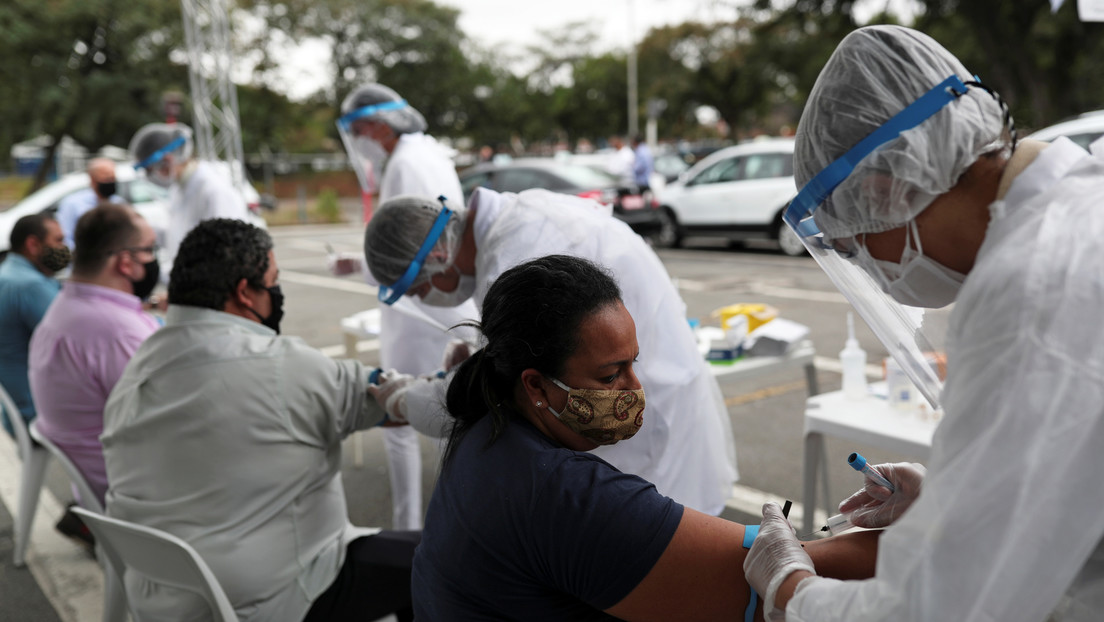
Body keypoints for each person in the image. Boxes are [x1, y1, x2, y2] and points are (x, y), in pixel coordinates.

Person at [743, 25, 1104, 621]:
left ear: (888, 191)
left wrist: (789, 589)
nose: (871, 271)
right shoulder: (1082, 201)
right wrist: (957, 496)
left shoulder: (1031, 293)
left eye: (853, 245)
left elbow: (938, 609)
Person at [413, 254, 880, 620]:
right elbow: (789, 583)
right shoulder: (562, 496)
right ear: (535, 385)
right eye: (610, 375)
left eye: (633, 363)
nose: (634, 388)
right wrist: (919, 524)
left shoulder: (485, 429)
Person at [101, 218, 417, 622]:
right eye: (273, 281)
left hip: (163, 600)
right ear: (244, 292)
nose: (277, 293)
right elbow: (399, 401)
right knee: (449, 558)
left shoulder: (134, 373)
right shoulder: (283, 366)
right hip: (280, 596)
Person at [363, 188, 736, 516]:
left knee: (652, 540)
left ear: (437, 255)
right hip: (653, 395)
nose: (423, 298)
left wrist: (407, 400)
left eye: (417, 289)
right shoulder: (520, 217)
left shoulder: (518, 252)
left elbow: (494, 394)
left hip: (640, 427)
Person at [335, 82, 479, 530]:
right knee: (448, 413)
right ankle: (454, 519)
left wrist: (363, 265)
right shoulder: (429, 153)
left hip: (420, 311)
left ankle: (409, 525)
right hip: (440, 303)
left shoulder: (405, 163)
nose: (358, 140)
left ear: (380, 126)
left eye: (359, 130)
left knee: (399, 410)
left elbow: (411, 244)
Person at [29, 203, 161, 508]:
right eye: (149, 249)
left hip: (95, 485)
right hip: (133, 496)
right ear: (125, 262)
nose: (153, 259)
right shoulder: (117, 332)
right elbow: (170, 419)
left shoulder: (68, 305)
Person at [127, 122, 249, 280]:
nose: (150, 176)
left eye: (149, 170)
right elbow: (179, 236)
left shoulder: (213, 191)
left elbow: (228, 253)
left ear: (167, 160)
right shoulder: (180, 189)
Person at [0, 214, 66, 437]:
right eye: (58, 240)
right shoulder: (29, 285)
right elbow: (74, 338)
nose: (65, 248)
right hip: (38, 415)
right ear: (33, 245)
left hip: (19, 411)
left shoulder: (10, 273)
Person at [56, 157, 120, 246]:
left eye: (113, 178)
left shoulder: (118, 203)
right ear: (93, 179)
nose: (110, 182)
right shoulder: (73, 204)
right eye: (106, 178)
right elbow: (65, 237)